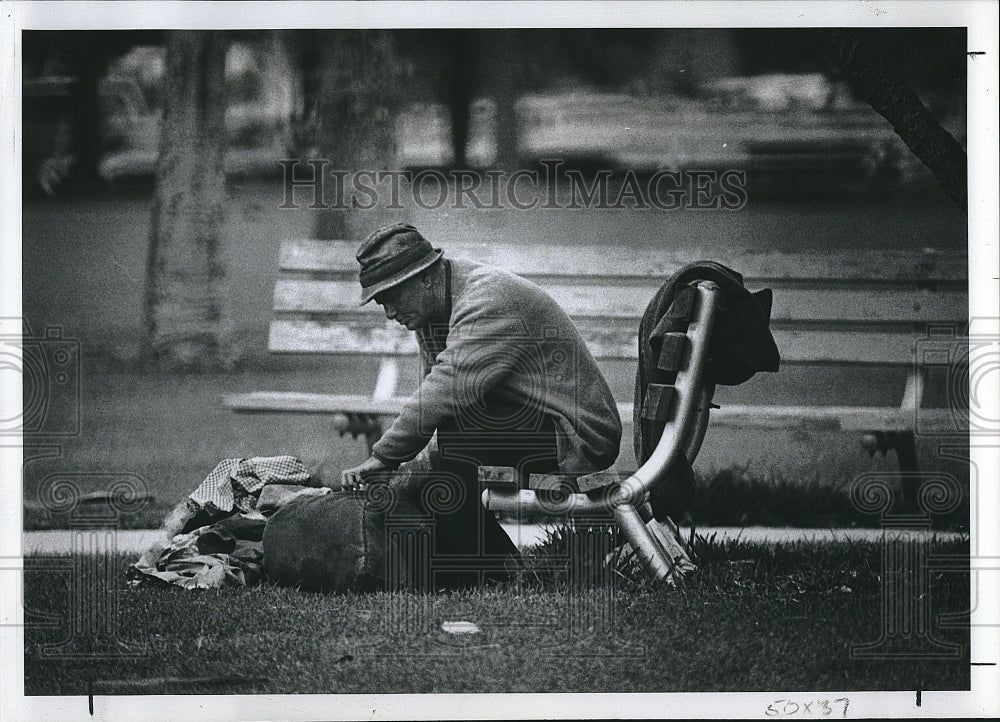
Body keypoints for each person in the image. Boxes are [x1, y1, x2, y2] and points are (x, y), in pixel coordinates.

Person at [340, 223, 622, 586]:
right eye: (381, 302)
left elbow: (443, 393)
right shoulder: (433, 310)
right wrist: (408, 464)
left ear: (425, 278)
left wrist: (383, 456)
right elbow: (439, 398)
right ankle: (489, 566)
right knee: (440, 460)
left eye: (392, 297)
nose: (389, 312)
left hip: (576, 435)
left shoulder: (486, 300)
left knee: (456, 437)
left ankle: (491, 570)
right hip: (522, 425)